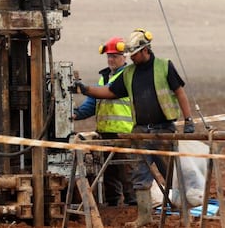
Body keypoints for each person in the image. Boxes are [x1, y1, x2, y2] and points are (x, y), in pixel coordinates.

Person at [74, 28, 195, 227]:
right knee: (140, 174)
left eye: (134, 54)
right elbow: (110, 92)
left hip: (163, 130)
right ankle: (144, 216)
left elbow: (179, 92)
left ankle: (186, 217)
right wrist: (85, 89)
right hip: (139, 131)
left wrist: (188, 120)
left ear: (145, 50)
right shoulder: (130, 73)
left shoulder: (164, 67)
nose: (132, 57)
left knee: (172, 173)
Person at [72, 36, 135, 207]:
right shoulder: (104, 78)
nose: (111, 59)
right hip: (105, 133)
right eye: (109, 56)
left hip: (124, 133)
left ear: (125, 57)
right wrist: (75, 115)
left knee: (127, 171)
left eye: (114, 56)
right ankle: (114, 204)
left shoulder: (128, 76)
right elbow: (92, 103)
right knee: (108, 172)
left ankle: (133, 204)